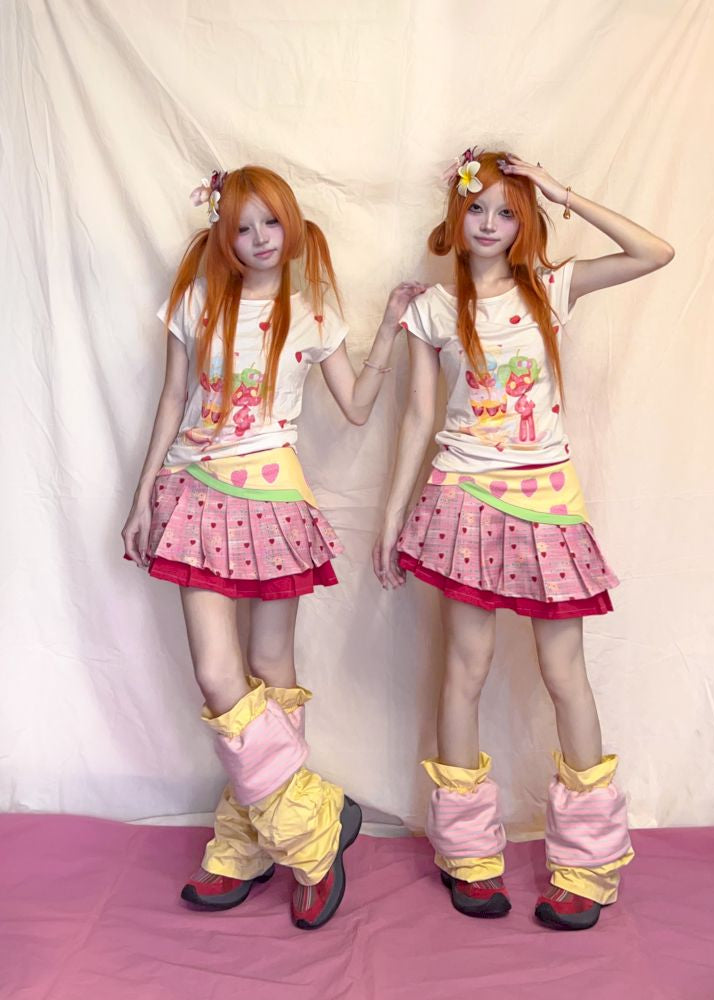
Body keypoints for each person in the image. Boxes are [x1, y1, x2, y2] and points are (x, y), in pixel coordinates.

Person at [373, 148, 674, 930]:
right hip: (464, 497)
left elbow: (655, 252)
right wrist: (392, 515)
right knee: (464, 670)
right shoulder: (432, 311)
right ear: (456, 215)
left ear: (525, 222)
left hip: (547, 500)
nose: (490, 224)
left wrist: (560, 191)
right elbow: (417, 417)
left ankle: (588, 863)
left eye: (508, 212)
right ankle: (468, 854)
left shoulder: (550, 287)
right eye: (478, 208)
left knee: (564, 673)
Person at [122, 164, 423, 929]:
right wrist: (143, 494)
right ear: (223, 233)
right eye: (243, 226)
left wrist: (389, 328)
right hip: (196, 491)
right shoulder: (198, 300)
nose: (258, 238)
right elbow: (172, 397)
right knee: (217, 675)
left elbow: (356, 407)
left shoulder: (312, 313)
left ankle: (249, 839)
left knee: (269, 669)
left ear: (290, 226)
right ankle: (311, 824)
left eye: (271, 223)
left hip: (275, 501)